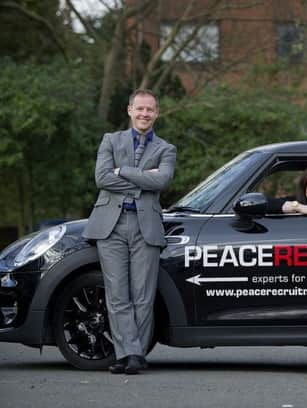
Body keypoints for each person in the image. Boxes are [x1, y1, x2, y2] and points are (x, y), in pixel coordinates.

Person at [82, 89, 177, 375]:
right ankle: (129, 354)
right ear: (129, 110)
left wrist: (121, 171)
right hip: (110, 225)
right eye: (140, 109)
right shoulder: (110, 140)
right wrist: (141, 181)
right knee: (117, 294)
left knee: (143, 295)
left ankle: (133, 353)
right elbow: (101, 177)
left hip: (145, 225)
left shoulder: (166, 149)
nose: (144, 114)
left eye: (150, 110)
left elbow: (162, 180)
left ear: (156, 113)